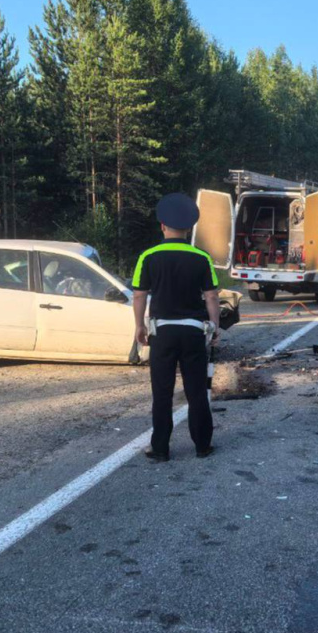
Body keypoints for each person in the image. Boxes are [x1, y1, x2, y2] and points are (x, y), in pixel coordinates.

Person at [132, 193, 221, 462]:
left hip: (162, 332)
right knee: (196, 391)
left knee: (162, 392)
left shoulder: (148, 256)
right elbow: (211, 296)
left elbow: (139, 295)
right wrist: (214, 327)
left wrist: (139, 326)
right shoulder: (202, 257)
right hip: (193, 332)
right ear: (189, 229)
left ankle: (160, 448)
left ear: (162, 226)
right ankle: (202, 445)